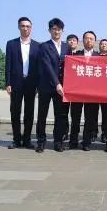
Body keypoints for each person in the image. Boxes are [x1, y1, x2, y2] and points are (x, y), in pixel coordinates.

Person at [5, 16, 40, 149]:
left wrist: (38, 85)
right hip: (16, 83)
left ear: (31, 28)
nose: (25, 28)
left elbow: (39, 67)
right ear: (19, 27)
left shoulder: (37, 46)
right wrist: (8, 83)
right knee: (15, 112)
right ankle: (16, 140)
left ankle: (27, 140)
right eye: (23, 26)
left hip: (31, 83)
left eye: (28, 26)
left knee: (29, 113)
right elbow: (8, 64)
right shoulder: (11, 44)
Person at [36, 18, 69, 153]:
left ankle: (58, 142)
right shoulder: (44, 46)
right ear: (49, 30)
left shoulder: (66, 47)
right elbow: (47, 66)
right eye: (54, 29)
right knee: (42, 115)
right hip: (46, 86)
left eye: (59, 29)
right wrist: (57, 83)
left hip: (62, 88)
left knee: (60, 115)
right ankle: (41, 141)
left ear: (62, 31)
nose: (56, 31)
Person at [69, 31, 98, 151]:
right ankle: (73, 141)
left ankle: (86, 142)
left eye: (91, 38)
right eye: (86, 38)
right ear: (83, 40)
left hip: (92, 93)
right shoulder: (75, 55)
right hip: (77, 93)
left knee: (89, 119)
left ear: (94, 41)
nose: (89, 40)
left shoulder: (100, 57)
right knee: (75, 118)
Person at [63, 34, 79, 142]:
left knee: (75, 115)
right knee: (64, 113)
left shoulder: (80, 55)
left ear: (77, 43)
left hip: (77, 90)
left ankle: (74, 137)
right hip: (64, 89)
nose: (71, 42)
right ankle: (64, 133)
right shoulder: (63, 54)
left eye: (74, 40)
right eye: (69, 40)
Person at [97, 39, 107, 142]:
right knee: (93, 113)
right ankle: (93, 132)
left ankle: (105, 134)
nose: (104, 45)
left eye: (106, 44)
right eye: (102, 44)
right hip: (95, 90)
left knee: (106, 114)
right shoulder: (94, 56)